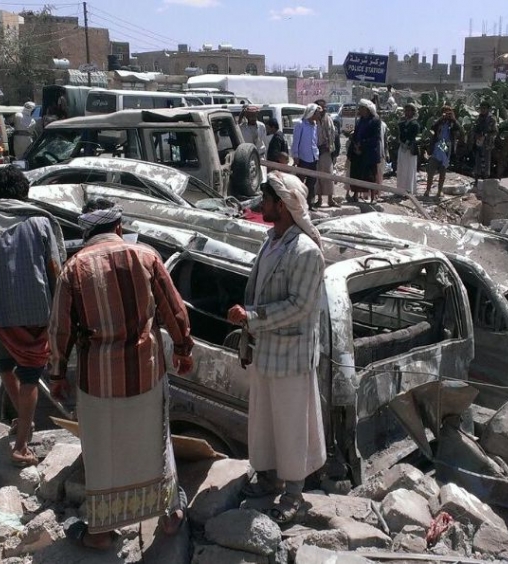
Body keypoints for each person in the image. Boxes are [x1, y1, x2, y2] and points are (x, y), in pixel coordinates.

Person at [49, 199, 194, 550]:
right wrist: (182, 348)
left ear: (86, 233)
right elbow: (174, 309)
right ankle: (170, 516)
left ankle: (100, 533)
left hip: (97, 381)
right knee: (156, 442)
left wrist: (56, 374)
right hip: (146, 371)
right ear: (118, 227)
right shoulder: (146, 257)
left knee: (103, 454)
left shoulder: (73, 269)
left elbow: (60, 330)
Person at [227, 171, 326, 525]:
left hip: (291, 354)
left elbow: (299, 305)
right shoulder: (271, 240)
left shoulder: (306, 252)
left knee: (291, 426)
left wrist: (252, 317)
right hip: (266, 349)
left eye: (267, 200)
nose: (261, 205)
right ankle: (269, 479)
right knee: (265, 422)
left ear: (282, 206)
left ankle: (293, 494)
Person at [0, 165, 64, 467]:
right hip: (35, 314)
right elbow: (55, 269)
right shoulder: (41, 222)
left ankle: (24, 422)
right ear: (24, 192)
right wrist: (61, 312)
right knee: (30, 376)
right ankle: (22, 444)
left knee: (5, 367)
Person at [347, 98, 381, 202]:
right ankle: (356, 195)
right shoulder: (359, 121)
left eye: (361, 108)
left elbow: (375, 138)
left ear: (367, 109)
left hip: (369, 153)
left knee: (370, 175)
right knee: (357, 174)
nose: (359, 110)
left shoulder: (375, 121)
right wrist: (355, 145)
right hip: (357, 153)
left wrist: (362, 144)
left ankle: (372, 197)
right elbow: (356, 134)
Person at [425, 106, 461, 199]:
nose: (447, 114)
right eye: (445, 112)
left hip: (446, 148)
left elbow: (459, 130)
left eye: (449, 112)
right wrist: (441, 119)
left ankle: (439, 191)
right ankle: (428, 190)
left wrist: (453, 119)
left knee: (442, 171)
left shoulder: (452, 123)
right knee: (431, 170)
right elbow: (433, 127)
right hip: (437, 147)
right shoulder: (439, 122)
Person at [291, 103, 321, 210]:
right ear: (312, 113)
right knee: (300, 182)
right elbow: (296, 141)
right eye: (317, 113)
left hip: (313, 157)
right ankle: (298, 204)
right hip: (303, 158)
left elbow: (314, 141)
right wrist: (295, 155)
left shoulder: (315, 125)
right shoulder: (301, 124)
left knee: (312, 182)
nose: (319, 115)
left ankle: (309, 204)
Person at [314, 99, 337, 208]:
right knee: (317, 176)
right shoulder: (313, 121)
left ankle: (330, 199)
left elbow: (333, 135)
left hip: (326, 151)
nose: (323, 110)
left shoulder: (329, 119)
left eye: (324, 107)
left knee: (328, 174)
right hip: (315, 151)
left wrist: (329, 148)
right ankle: (319, 200)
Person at [471, 100, 497, 181]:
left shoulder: (491, 119)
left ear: (488, 109)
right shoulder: (479, 118)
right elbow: (474, 129)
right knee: (478, 161)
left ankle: (485, 179)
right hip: (479, 142)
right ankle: (477, 178)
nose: (482, 110)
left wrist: (486, 136)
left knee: (486, 162)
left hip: (487, 144)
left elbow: (495, 131)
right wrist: (476, 136)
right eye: (481, 108)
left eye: (484, 108)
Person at [396, 103, 419, 194]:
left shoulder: (414, 124)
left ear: (413, 112)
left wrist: (407, 143)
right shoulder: (402, 123)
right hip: (402, 147)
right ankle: (400, 189)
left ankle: (409, 190)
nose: (407, 112)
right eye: (406, 110)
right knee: (401, 168)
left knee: (409, 169)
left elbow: (412, 136)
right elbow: (400, 134)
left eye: (409, 110)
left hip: (410, 149)